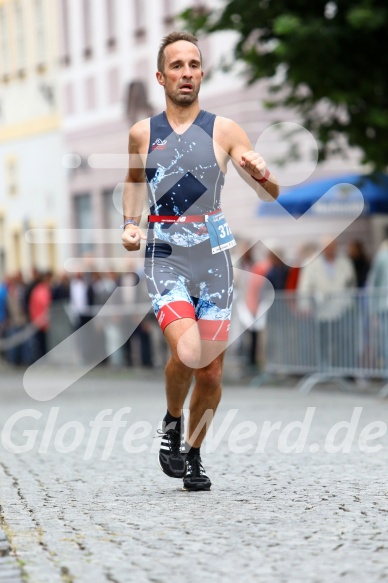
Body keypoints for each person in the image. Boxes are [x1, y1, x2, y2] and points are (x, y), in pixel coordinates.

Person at [121, 32, 279, 491]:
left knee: (210, 368)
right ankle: (172, 419)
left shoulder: (225, 130)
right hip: (165, 254)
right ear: (161, 76)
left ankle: (192, 451)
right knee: (187, 352)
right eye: (176, 65)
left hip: (213, 257)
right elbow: (133, 180)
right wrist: (132, 221)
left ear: (201, 73)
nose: (186, 73)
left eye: (193, 64)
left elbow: (270, 193)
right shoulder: (143, 133)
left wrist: (262, 173)